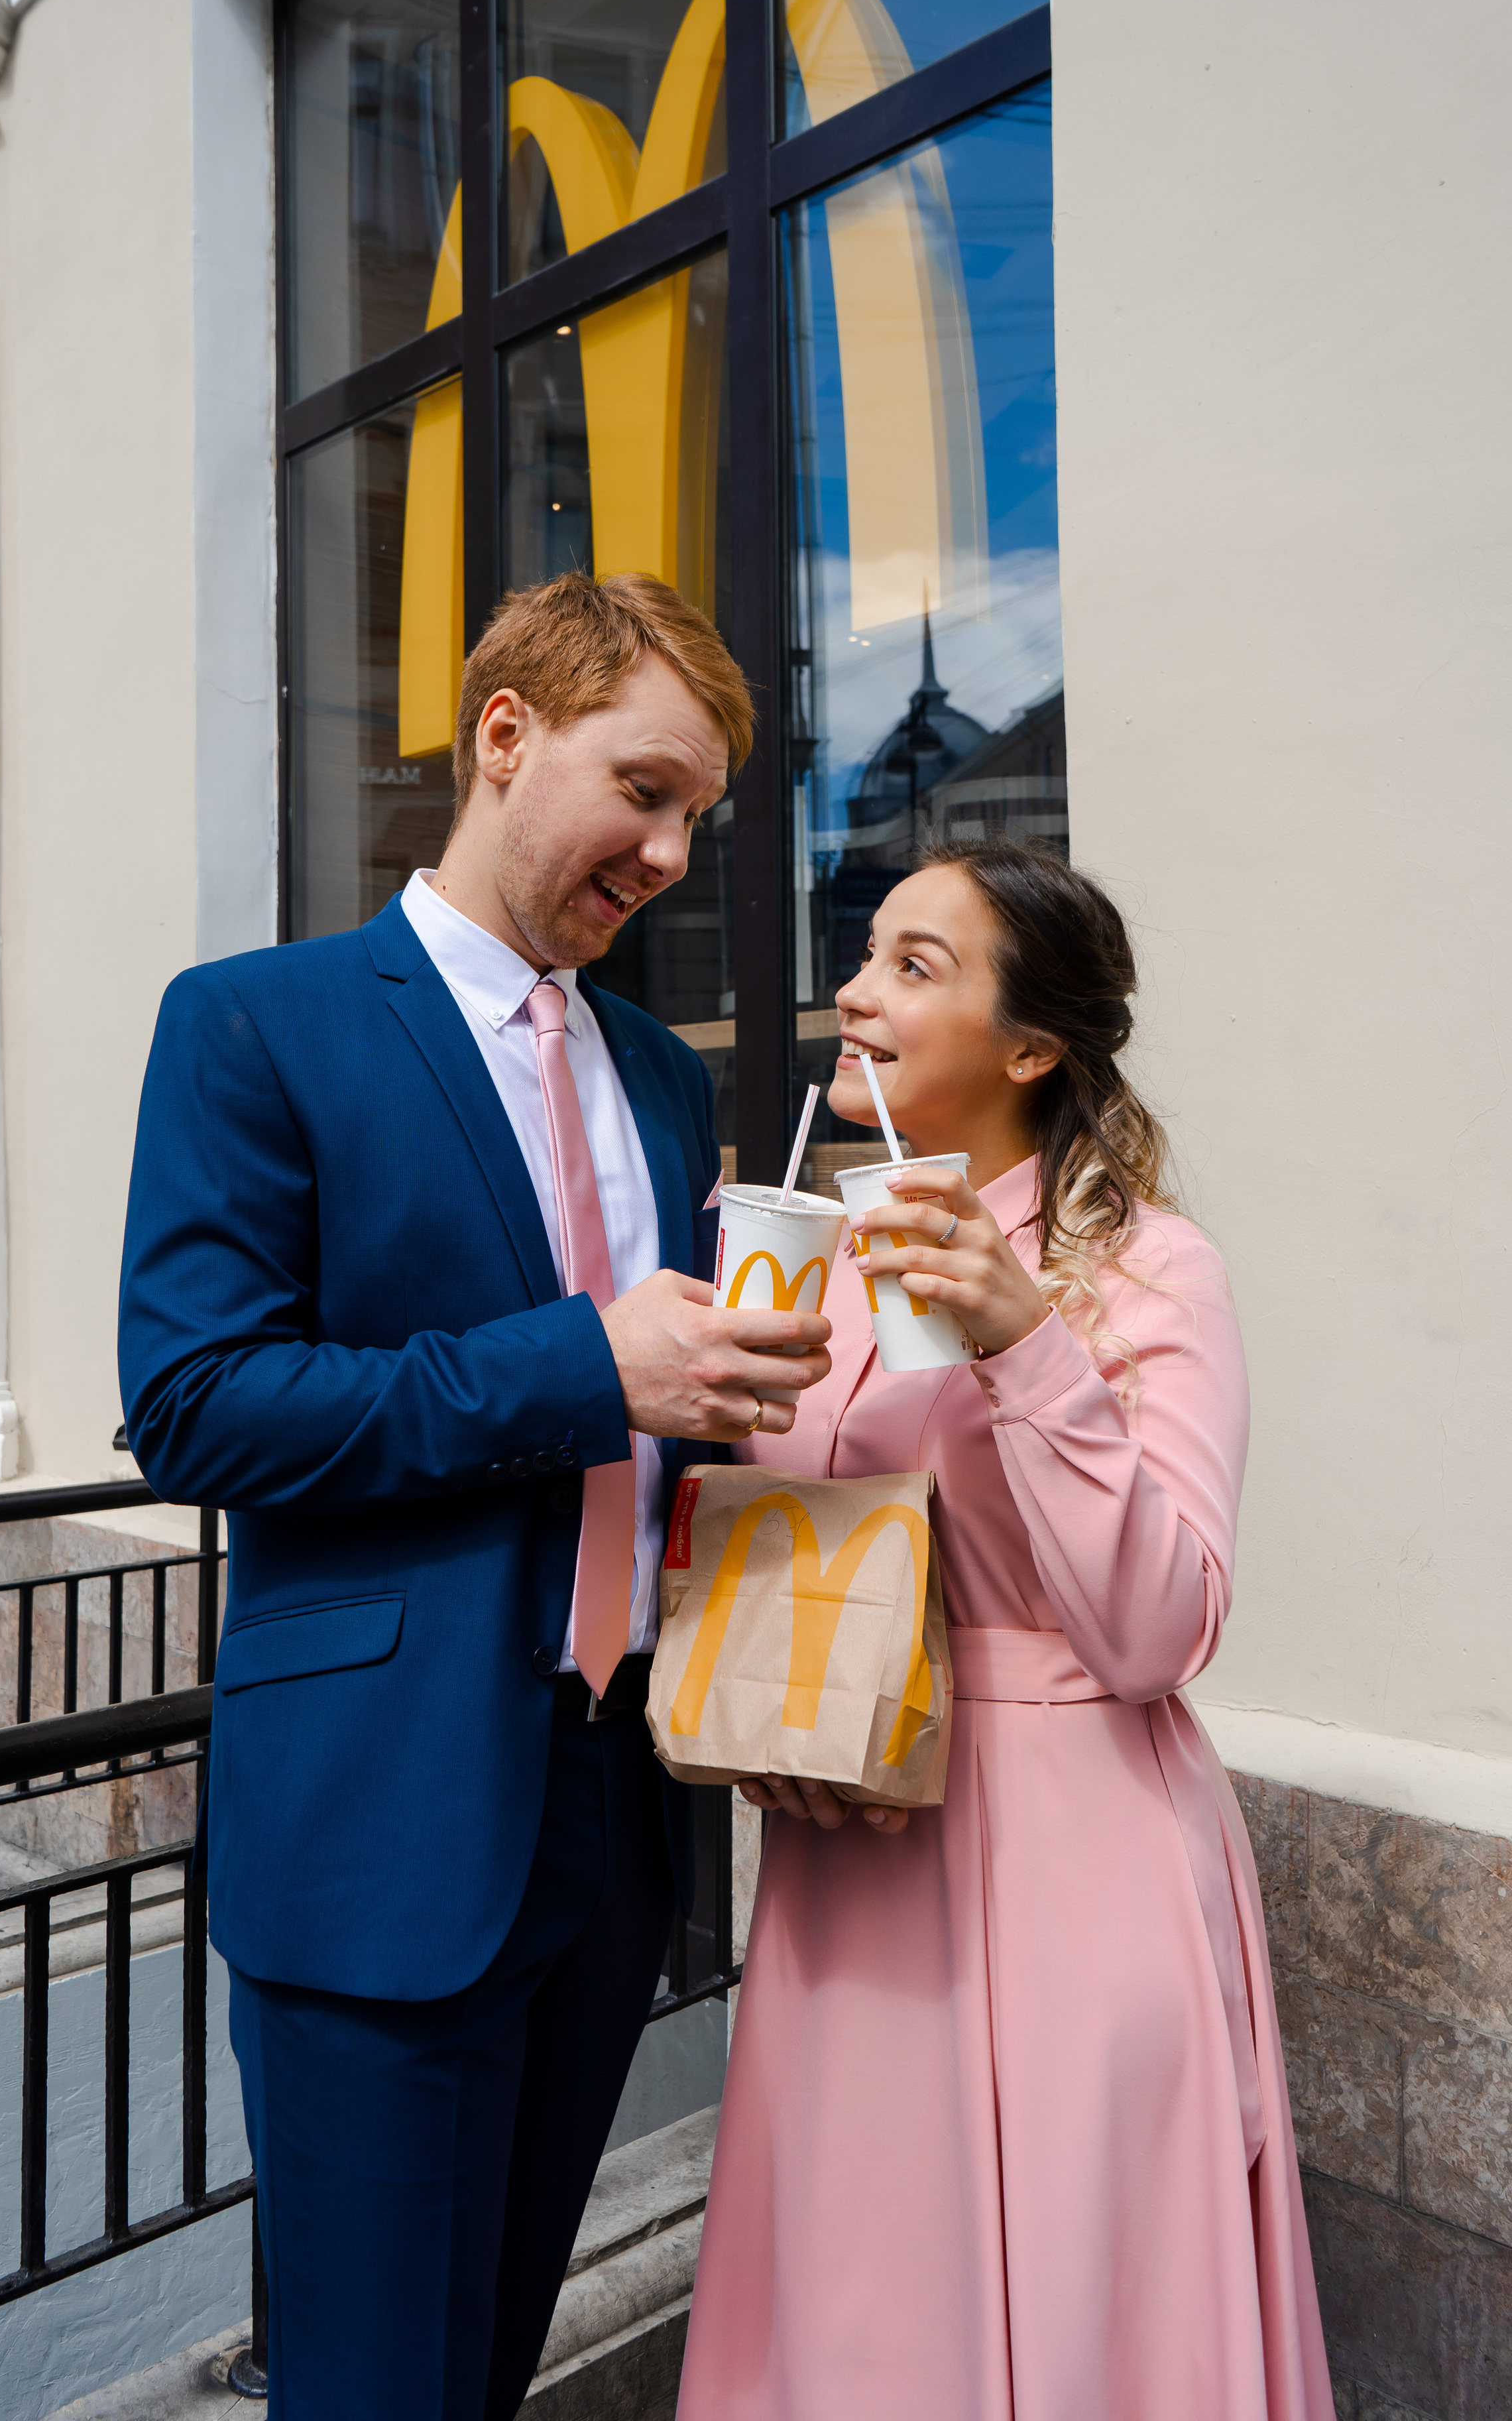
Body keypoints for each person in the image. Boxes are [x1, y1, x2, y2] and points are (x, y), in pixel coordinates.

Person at [117, 571, 832, 2421]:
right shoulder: (253, 1025)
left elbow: (657, 1427)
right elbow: (197, 1406)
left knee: (484, 2375)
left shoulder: (665, 1080)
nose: (674, 853)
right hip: (380, 1830)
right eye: (649, 790)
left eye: (701, 819)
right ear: (505, 734)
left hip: (610, 1822)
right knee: (371, 2394)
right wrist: (587, 1368)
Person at [678, 841, 1335, 2421]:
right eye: (864, 955)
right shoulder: (815, 1260)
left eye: (916, 965)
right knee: (853, 2314)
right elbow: (794, 1565)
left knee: (1077, 2293)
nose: (854, 991)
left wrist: (1021, 1342)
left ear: (1030, 1047)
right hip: (847, 1856)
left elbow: (1158, 1626)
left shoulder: (1144, 1271)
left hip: (1070, 1859)